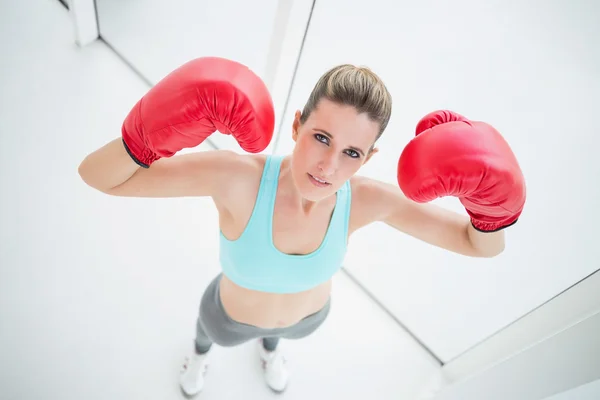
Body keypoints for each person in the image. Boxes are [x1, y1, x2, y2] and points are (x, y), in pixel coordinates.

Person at [77, 57, 526, 395]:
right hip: (229, 317)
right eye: (322, 138)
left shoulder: (368, 200)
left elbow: (481, 246)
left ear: (368, 159)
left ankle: (271, 350)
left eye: (351, 153)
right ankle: (197, 358)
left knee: (276, 338)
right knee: (205, 335)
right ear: (297, 125)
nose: (329, 166)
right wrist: (142, 138)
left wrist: (491, 210)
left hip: (308, 320)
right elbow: (99, 177)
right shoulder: (237, 179)